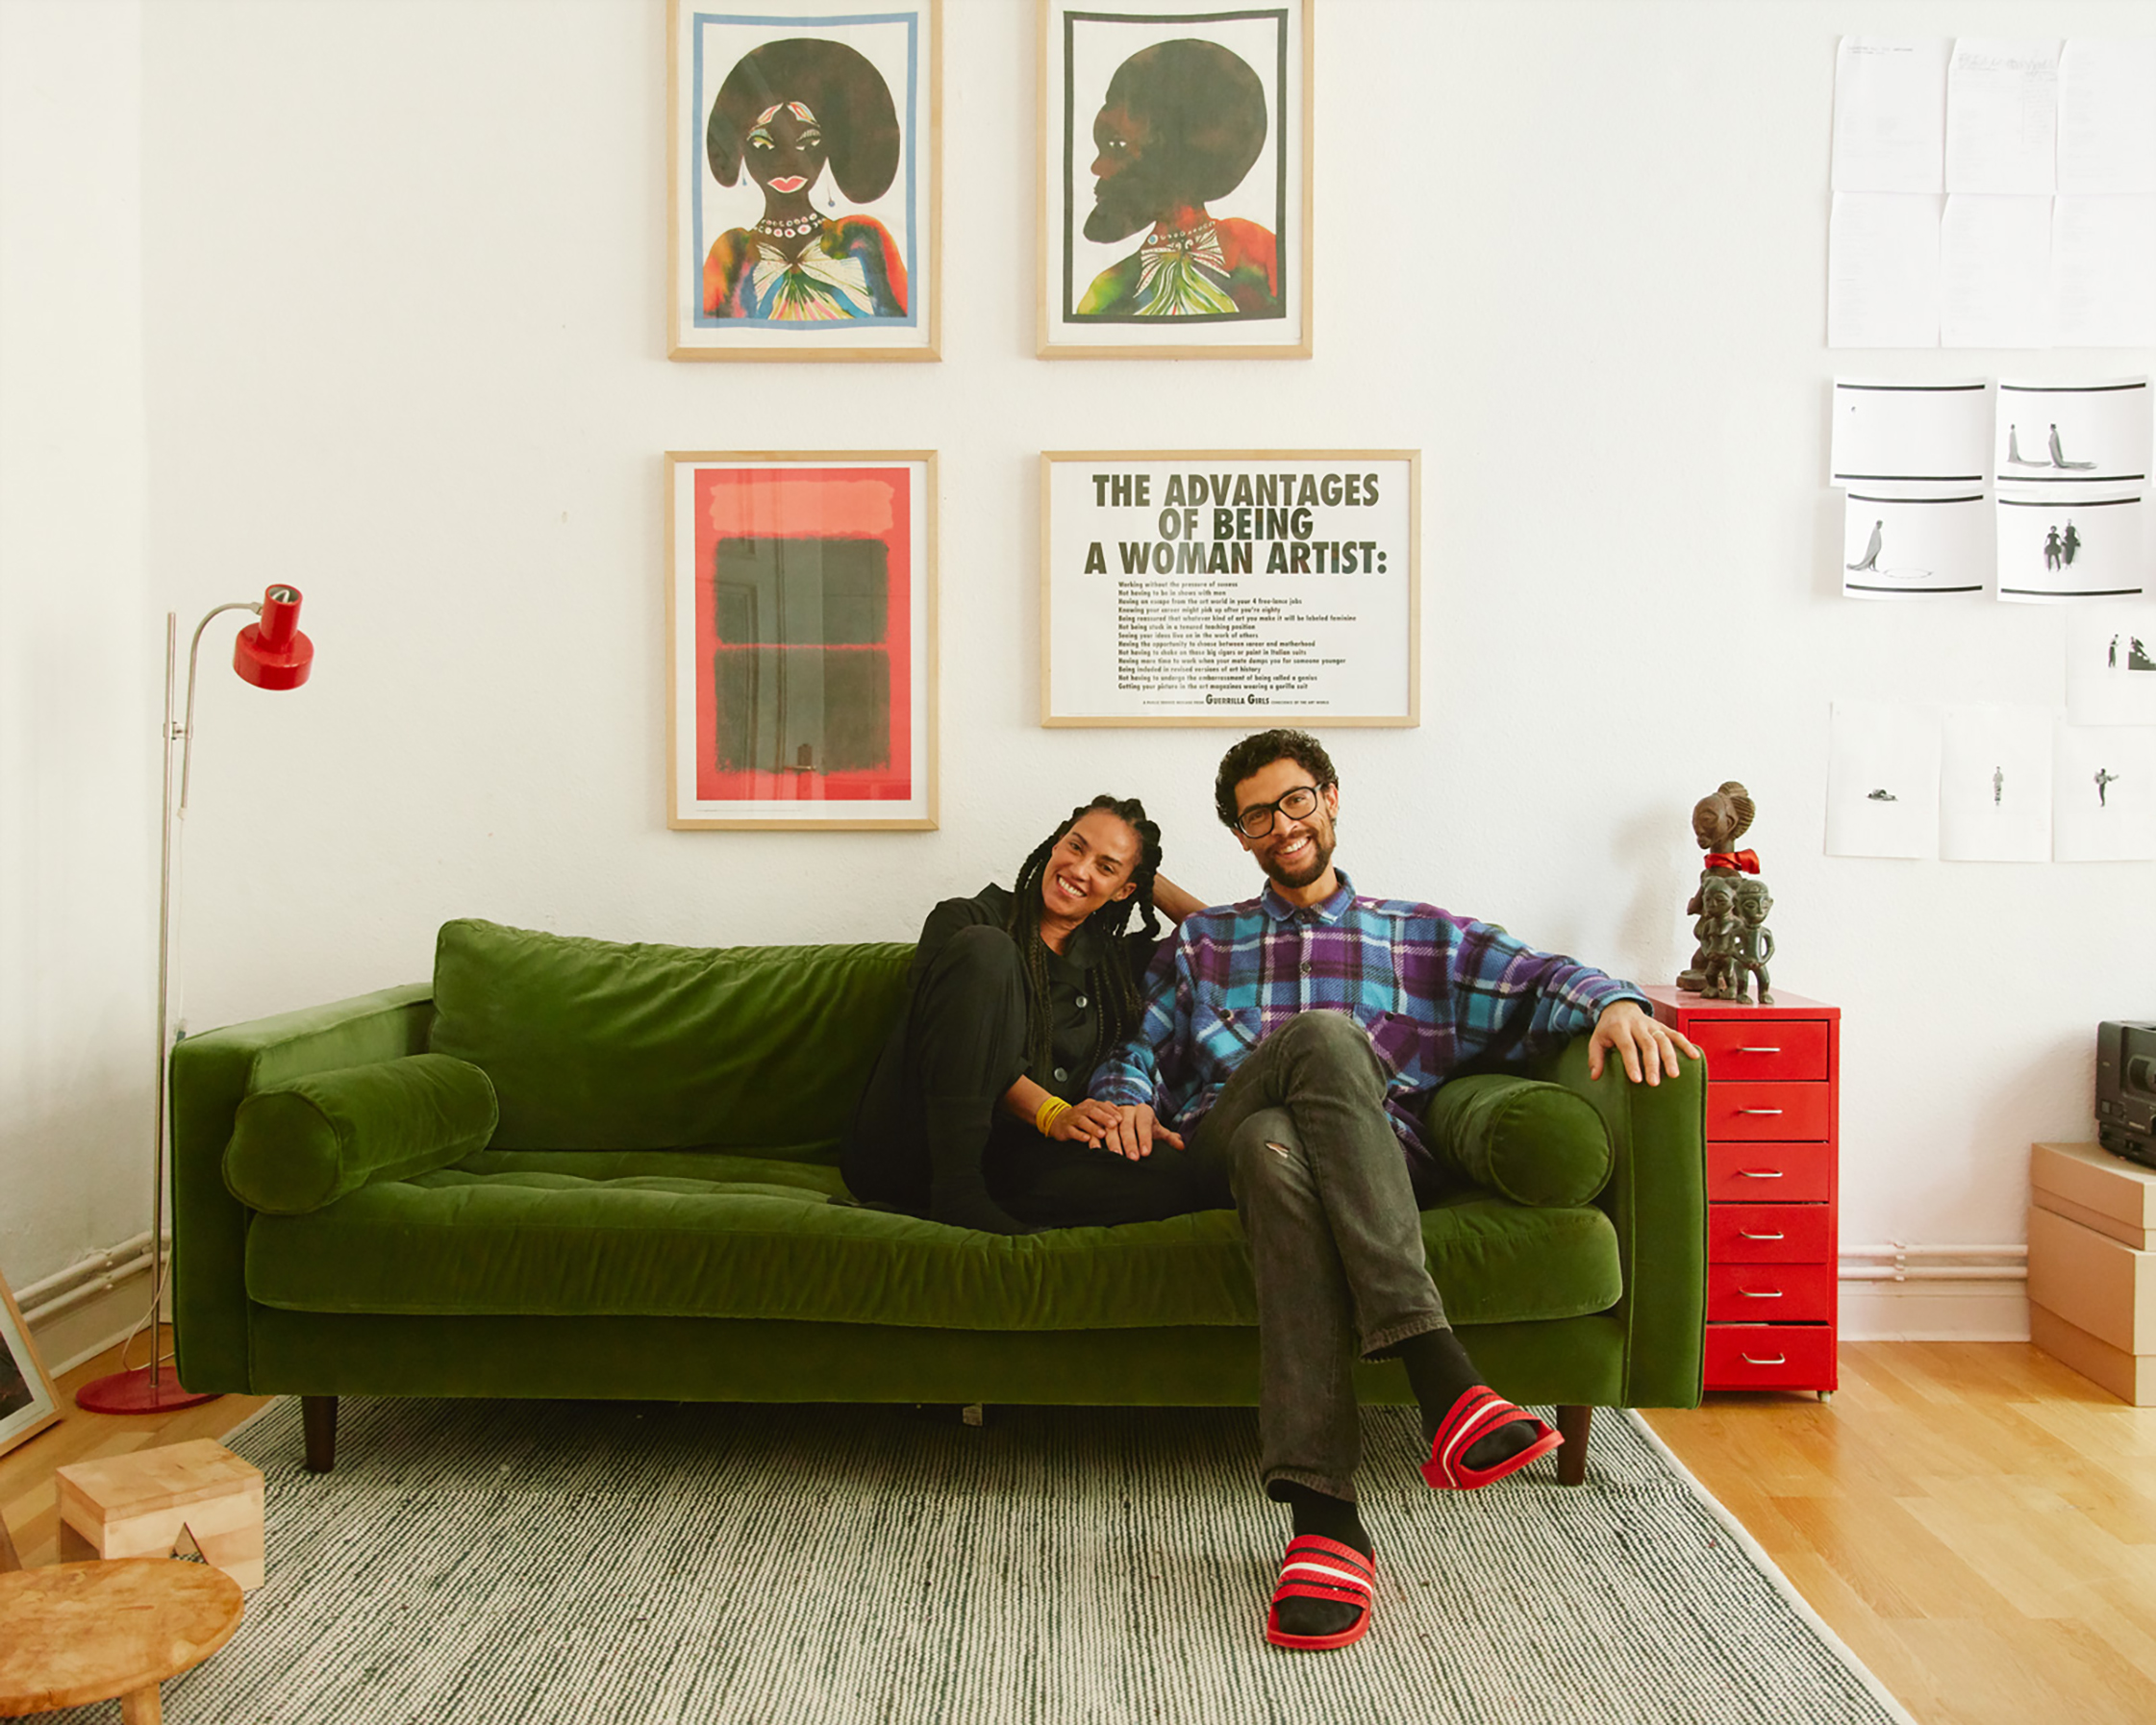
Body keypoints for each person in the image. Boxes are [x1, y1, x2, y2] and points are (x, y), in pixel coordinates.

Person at [1087, 730, 1699, 1652]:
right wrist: (1124, 1100)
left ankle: (1325, 1524)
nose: (1281, 825)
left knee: (1277, 1149)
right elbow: (1138, 1048)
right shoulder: (1205, 943)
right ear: (1241, 838)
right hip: (1216, 1141)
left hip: (1356, 1160)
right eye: (1256, 817)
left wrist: (1615, 1003)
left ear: (1330, 798)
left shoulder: (1422, 936)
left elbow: (1542, 977)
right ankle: (1441, 1375)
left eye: (1294, 800)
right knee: (1318, 1044)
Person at [841, 796, 1211, 1236]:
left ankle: (964, 1208)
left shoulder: (1112, 964)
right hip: (913, 1142)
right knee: (987, 948)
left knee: (1174, 1176)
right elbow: (947, 1047)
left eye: (1105, 867)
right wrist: (1052, 1113)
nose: (1079, 869)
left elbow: (1215, 940)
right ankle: (956, 1195)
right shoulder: (966, 920)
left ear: (1124, 891)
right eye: (1076, 846)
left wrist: (1144, 873)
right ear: (1056, 843)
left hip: (1013, 1161)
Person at [701, 38, 908, 321]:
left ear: (831, 148)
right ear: (740, 150)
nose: (787, 162)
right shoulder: (731, 252)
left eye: (808, 143)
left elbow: (908, 329)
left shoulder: (863, 240)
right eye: (763, 144)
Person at [1074, 39, 1280, 320]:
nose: (1097, 168)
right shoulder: (1107, 291)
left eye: (1117, 146)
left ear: (1169, 151)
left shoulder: (1258, 253)